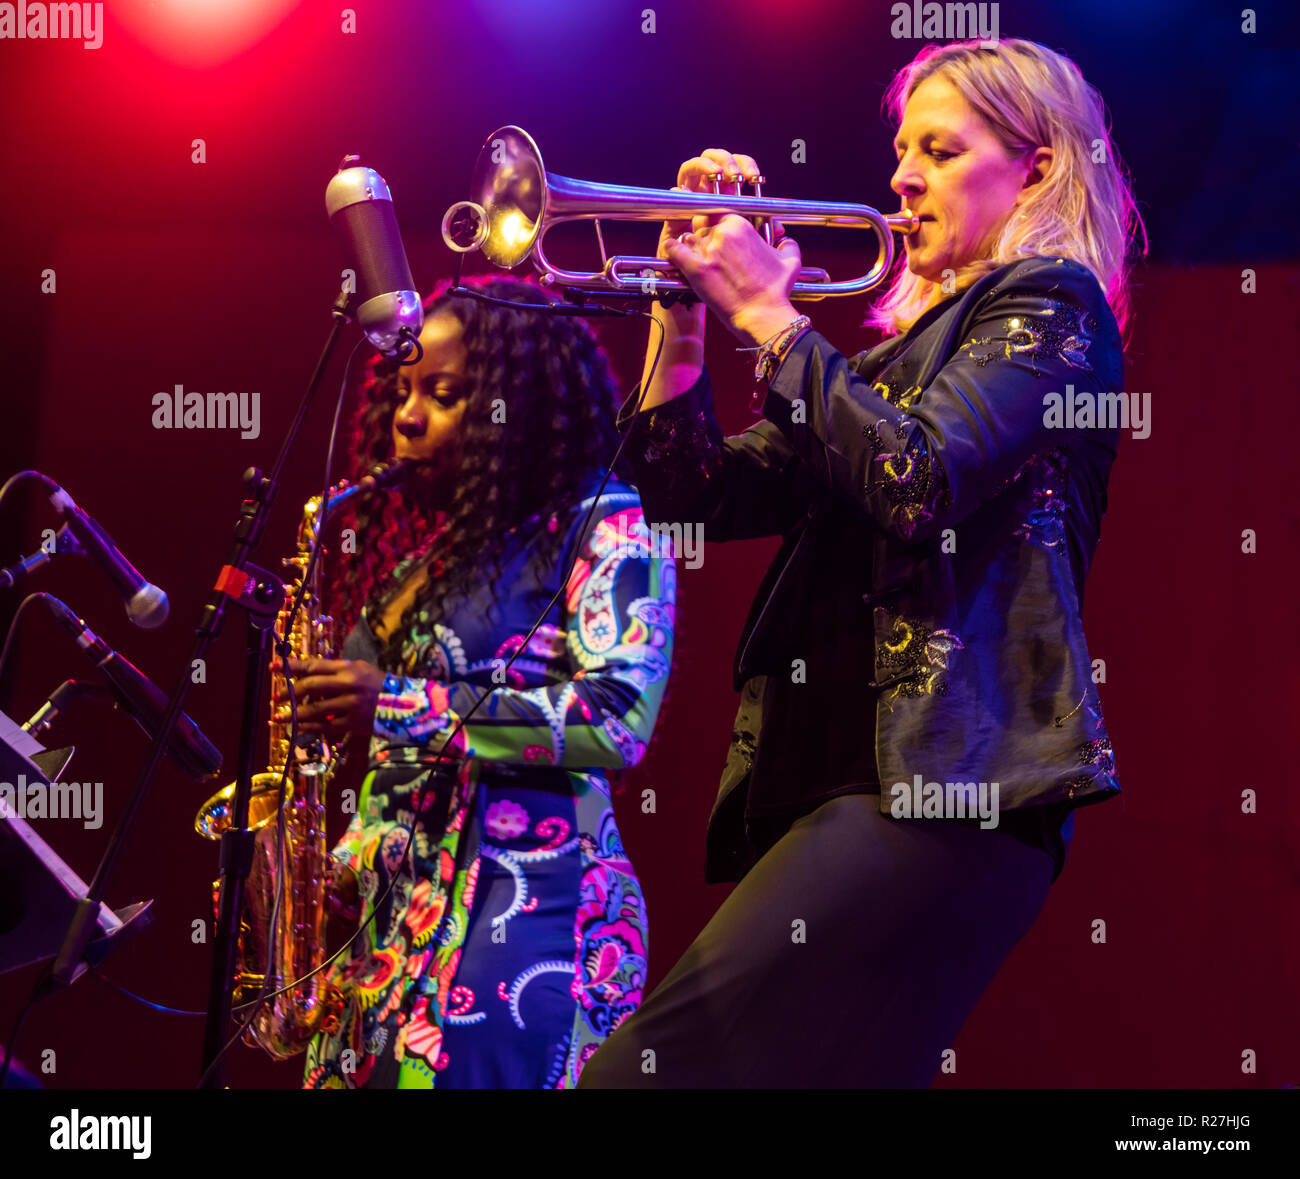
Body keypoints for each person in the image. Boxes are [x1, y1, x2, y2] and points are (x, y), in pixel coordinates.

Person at [581, 38, 1144, 1088]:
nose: (900, 177)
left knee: (641, 1076)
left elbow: (916, 482)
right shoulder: (881, 367)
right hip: (845, 785)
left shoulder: (1051, 310)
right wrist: (685, 307)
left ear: (1034, 168)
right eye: (900, 150)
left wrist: (767, 312)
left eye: (939, 148)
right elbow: (684, 493)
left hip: (948, 793)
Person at [285, 275, 676, 1089]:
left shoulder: (605, 523)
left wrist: (389, 702)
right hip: (387, 950)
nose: (408, 415)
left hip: (528, 928)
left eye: (446, 393)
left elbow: (618, 718)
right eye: (403, 389)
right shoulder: (416, 576)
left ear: (518, 411)